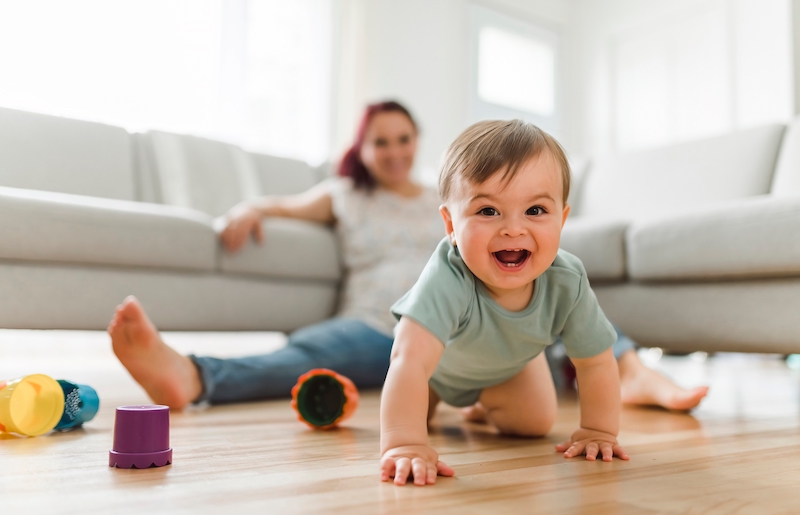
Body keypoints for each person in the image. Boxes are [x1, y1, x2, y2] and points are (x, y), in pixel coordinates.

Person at [108, 102, 707, 414]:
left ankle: (630, 372)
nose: (393, 151)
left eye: (403, 139)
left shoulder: (457, 190)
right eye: (380, 141)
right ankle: (194, 376)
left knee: (559, 290)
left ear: (416, 143)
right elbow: (286, 205)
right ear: (362, 149)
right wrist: (251, 207)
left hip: (493, 316)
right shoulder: (343, 195)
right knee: (312, 354)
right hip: (385, 324)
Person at [380, 119, 629, 486]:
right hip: (436, 369)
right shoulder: (448, 276)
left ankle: (479, 406)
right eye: (488, 211)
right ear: (451, 224)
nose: (513, 229)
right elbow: (410, 361)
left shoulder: (566, 280)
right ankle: (440, 402)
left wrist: (598, 430)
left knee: (533, 424)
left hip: (510, 368)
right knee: (418, 414)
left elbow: (595, 362)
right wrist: (404, 444)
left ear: (561, 219)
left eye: (535, 211)